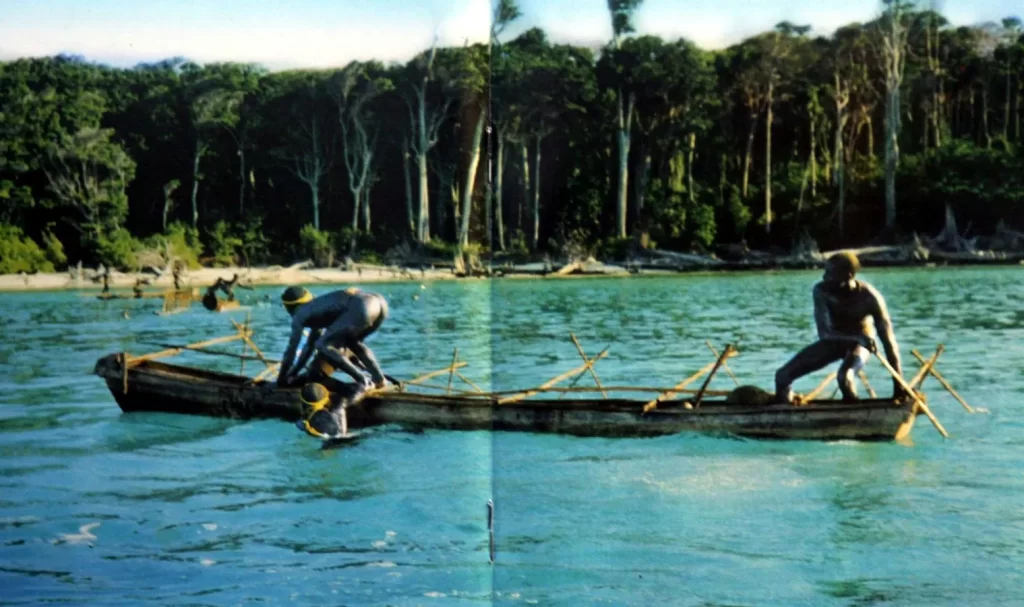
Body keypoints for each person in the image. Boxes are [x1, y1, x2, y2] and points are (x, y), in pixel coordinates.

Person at [774, 252, 906, 404]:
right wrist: (856, 337)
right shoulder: (821, 291)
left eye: (830, 273)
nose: (824, 277)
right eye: (825, 272)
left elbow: (889, 342)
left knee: (845, 378)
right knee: (782, 376)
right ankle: (787, 412)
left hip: (860, 344)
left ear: (848, 276)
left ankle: (855, 417)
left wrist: (899, 383)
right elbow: (824, 333)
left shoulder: (870, 297)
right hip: (834, 340)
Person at [276, 286, 389, 391]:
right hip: (378, 302)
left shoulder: (299, 314)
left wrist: (281, 377)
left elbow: (292, 350)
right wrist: (294, 373)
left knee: (323, 345)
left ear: (289, 306)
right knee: (353, 342)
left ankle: (363, 381)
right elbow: (309, 347)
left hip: (362, 305)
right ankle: (379, 379)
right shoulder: (316, 308)